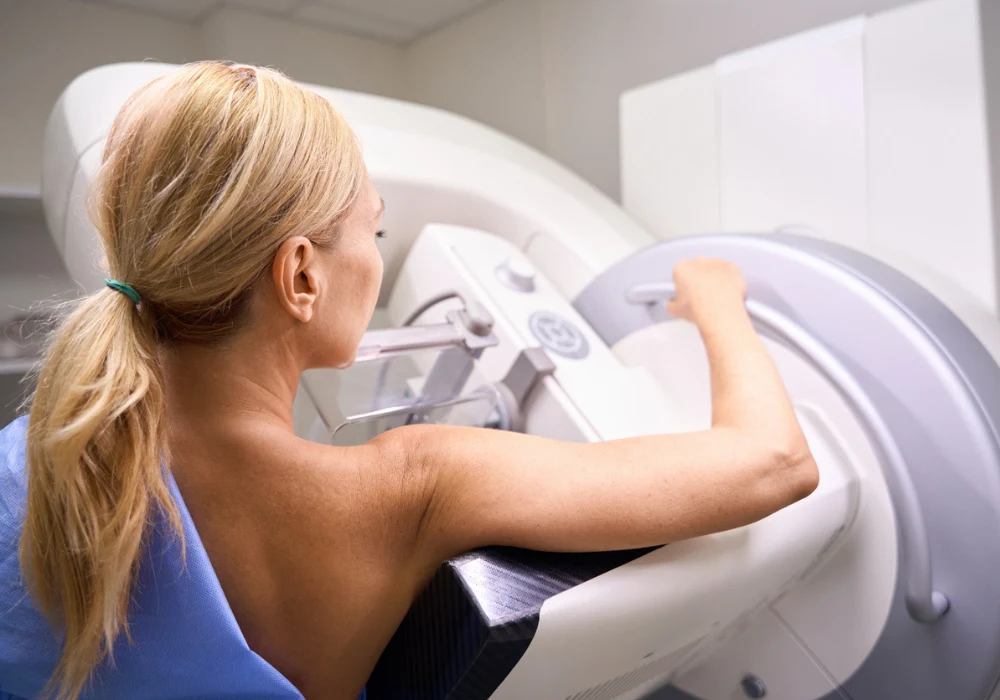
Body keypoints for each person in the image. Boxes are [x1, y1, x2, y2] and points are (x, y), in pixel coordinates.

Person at [0, 61, 818, 700]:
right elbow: (775, 462)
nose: (378, 256)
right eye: (374, 227)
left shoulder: (32, 462)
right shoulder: (408, 488)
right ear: (301, 277)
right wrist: (717, 301)